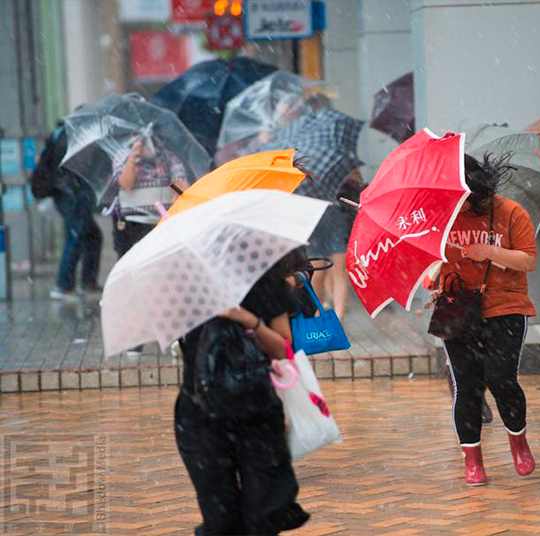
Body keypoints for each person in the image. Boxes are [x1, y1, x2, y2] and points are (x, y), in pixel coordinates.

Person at [175, 247, 315, 535]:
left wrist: (245, 319)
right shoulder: (188, 285)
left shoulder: (265, 282)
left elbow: (281, 348)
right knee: (220, 520)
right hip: (201, 412)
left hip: (256, 409)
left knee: (262, 515)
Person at [438, 153, 537, 486]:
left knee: (501, 379)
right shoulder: (440, 217)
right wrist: (430, 276)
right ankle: (473, 460)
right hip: (456, 307)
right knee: (467, 388)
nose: (462, 204)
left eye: (467, 195)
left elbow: (527, 261)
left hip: (506, 307)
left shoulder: (510, 212)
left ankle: (518, 442)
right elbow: (432, 261)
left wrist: (491, 252)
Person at [30, 122, 103, 301]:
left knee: (92, 235)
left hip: (68, 190)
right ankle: (63, 286)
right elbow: (72, 167)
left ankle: (88, 282)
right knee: (75, 235)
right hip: (72, 191)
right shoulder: (73, 138)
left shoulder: (63, 132)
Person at [111, 137, 189, 258]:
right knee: (130, 263)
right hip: (131, 223)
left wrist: (176, 190)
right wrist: (133, 157)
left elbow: (181, 187)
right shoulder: (123, 155)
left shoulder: (167, 155)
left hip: (160, 223)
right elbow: (126, 185)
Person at [308, 169, 363, 322]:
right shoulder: (303, 176)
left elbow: (354, 190)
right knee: (317, 273)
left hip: (337, 221)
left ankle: (339, 317)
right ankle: (318, 315)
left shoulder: (337, 168)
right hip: (314, 223)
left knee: (339, 270)